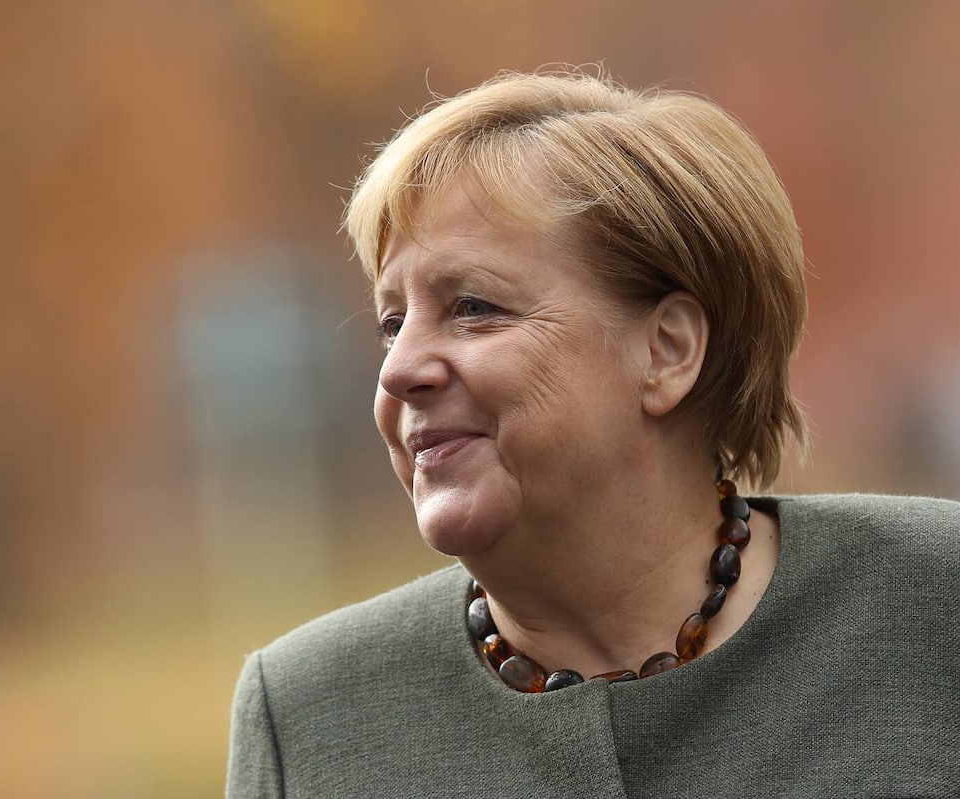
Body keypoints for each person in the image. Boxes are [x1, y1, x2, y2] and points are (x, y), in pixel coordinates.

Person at [225, 69, 960, 798]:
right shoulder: (305, 716)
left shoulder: (931, 597)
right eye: (392, 324)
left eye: (473, 306)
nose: (399, 369)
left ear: (666, 351)